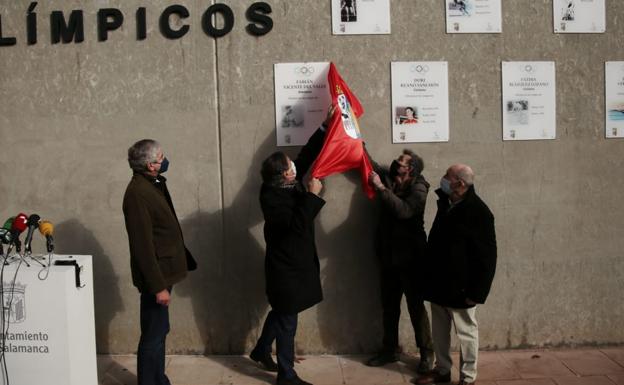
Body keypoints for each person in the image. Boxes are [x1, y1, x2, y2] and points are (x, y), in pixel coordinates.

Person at [250, 107, 335, 385]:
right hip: (285, 270)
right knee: (288, 321)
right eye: (291, 167)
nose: (295, 167)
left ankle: (261, 349)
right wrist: (312, 196)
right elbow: (296, 228)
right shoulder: (273, 200)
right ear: (284, 176)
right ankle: (287, 376)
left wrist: (324, 127)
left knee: (283, 312)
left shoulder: (285, 185)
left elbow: (306, 156)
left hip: (296, 266)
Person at [123, 139, 197, 385]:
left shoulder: (153, 184)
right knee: (153, 334)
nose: (165, 161)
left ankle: (159, 379)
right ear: (150, 165)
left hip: (166, 272)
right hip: (157, 277)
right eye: (160, 158)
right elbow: (142, 246)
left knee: (160, 331)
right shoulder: (137, 194)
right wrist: (158, 287)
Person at [414, 164, 497, 385]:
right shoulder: (447, 203)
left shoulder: (479, 213)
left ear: (460, 183)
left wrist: (477, 292)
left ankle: (468, 378)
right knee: (440, 334)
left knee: (466, 334)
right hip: (439, 284)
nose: (442, 179)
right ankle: (442, 371)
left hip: (462, 289)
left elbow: (487, 258)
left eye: (447, 176)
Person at [365, 149, 435, 374]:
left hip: (411, 259)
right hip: (388, 256)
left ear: (410, 168)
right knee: (389, 306)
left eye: (401, 162)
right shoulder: (389, 177)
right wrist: (356, 139)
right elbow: (370, 163)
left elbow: (404, 211)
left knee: (416, 308)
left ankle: (427, 353)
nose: (396, 163)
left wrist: (381, 188)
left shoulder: (419, 187)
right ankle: (389, 349)